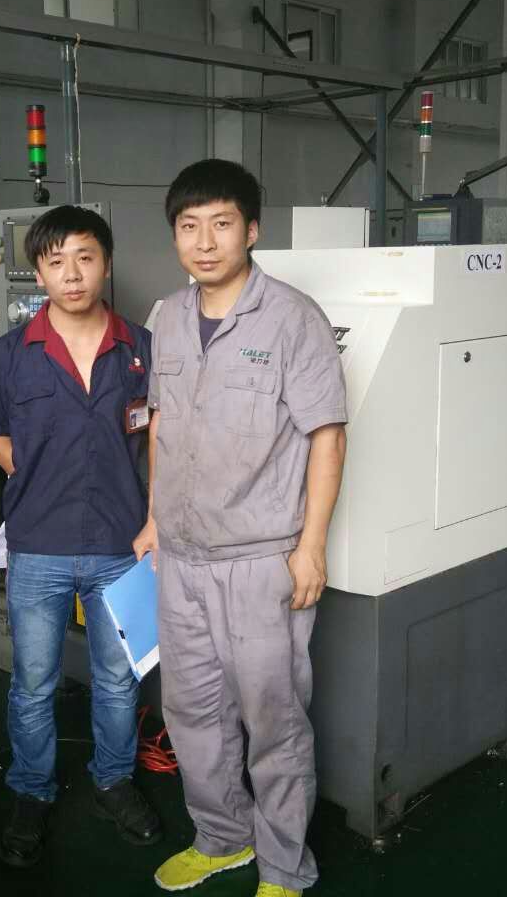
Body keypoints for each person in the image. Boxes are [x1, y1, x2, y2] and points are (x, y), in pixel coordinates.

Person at [134, 160, 348, 897]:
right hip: (181, 557)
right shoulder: (166, 317)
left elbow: (327, 436)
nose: (204, 242)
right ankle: (222, 838)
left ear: (251, 230)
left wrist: (311, 547)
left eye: (221, 224)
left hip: (261, 559)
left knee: (273, 718)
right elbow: (161, 427)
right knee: (192, 711)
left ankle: (285, 868)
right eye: (188, 226)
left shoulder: (293, 319)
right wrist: (153, 519)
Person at [0, 204, 162, 869]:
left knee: (117, 681)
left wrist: (152, 519)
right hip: (38, 546)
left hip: (121, 546)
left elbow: (161, 442)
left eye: (85, 258)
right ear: (39, 272)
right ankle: (31, 789)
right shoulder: (10, 356)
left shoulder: (141, 350)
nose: (72, 275)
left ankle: (113, 781)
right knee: (33, 682)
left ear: (106, 264)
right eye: (56, 262)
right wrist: (48, 484)